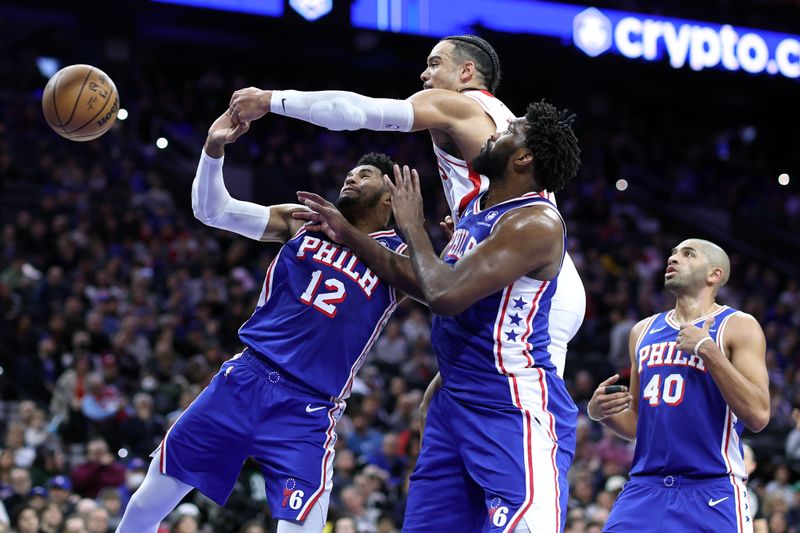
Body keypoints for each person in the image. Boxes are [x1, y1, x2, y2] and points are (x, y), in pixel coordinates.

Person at [228, 35, 585, 382]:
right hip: (524, 265)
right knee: (446, 402)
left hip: (530, 280)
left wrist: (271, 100)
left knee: (518, 413)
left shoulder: (459, 104)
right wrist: (467, 231)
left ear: (466, 72)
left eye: (435, 64)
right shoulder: (504, 120)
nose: (424, 75)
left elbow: (356, 111)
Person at [115, 110, 409, 532]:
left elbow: (444, 291)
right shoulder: (304, 221)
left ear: (390, 197)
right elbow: (212, 211)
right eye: (350, 172)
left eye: (365, 175)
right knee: (147, 501)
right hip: (245, 378)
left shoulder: (400, 258)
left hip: (308, 408)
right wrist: (214, 149)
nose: (351, 179)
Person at [297, 100, 581, 532]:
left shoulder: (535, 223)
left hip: (510, 405)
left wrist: (412, 227)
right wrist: (347, 232)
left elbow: (445, 295)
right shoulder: (481, 216)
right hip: (457, 400)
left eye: (508, 132)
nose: (493, 135)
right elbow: (417, 279)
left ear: (523, 158)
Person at [586, 239, 770, 532]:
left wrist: (707, 350)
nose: (673, 258)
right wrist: (601, 412)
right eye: (672, 253)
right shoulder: (642, 331)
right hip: (645, 487)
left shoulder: (738, 325)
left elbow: (759, 414)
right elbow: (637, 423)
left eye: (688, 254)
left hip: (711, 488)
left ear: (714, 275)